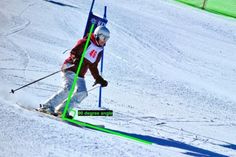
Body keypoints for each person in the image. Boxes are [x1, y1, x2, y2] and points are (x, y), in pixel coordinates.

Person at [38, 26, 110, 117]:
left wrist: (98, 78)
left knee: (82, 92)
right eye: (103, 38)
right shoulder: (86, 42)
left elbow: (93, 66)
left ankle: (63, 110)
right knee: (69, 89)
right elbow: (73, 52)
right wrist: (75, 58)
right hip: (70, 68)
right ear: (97, 35)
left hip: (80, 74)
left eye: (107, 39)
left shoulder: (99, 50)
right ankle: (47, 106)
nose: (104, 41)